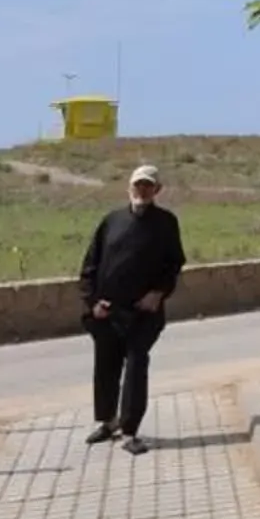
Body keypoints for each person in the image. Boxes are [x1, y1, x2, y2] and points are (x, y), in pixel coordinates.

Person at [80, 162, 185, 454]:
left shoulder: (166, 223)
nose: (142, 190)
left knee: (137, 364)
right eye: (138, 185)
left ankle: (130, 430)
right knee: (106, 366)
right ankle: (108, 421)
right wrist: (92, 302)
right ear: (129, 188)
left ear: (157, 190)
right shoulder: (110, 221)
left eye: (148, 185)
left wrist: (158, 294)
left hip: (144, 312)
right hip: (107, 312)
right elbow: (90, 265)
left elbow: (174, 264)